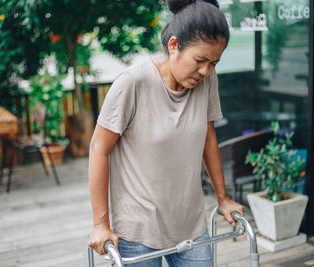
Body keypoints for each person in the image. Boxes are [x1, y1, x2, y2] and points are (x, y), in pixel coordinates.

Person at [88, 0, 244, 266]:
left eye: (214, 63)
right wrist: (101, 224)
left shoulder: (206, 81)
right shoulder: (132, 84)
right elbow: (98, 149)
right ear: (174, 46)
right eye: (200, 60)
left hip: (191, 226)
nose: (205, 71)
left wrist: (224, 198)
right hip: (137, 233)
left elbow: (208, 139)